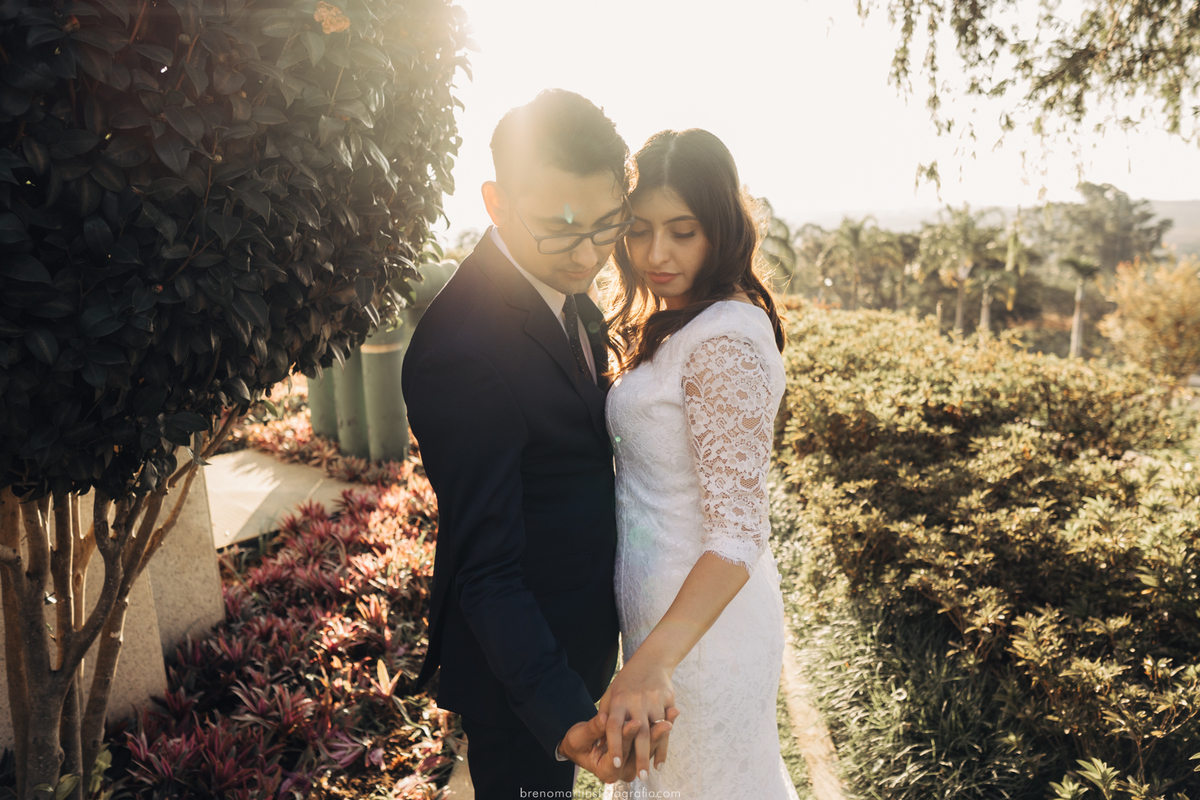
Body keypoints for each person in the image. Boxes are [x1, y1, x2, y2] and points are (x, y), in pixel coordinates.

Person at [401, 90, 675, 799]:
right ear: (496, 203)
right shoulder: (462, 350)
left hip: (579, 639)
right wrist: (560, 712)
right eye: (561, 229)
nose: (589, 254)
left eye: (606, 224)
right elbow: (484, 569)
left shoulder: (565, 286)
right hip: (522, 677)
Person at [600, 128, 800, 798]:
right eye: (639, 229)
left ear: (720, 229)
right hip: (663, 637)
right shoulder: (682, 318)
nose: (656, 254)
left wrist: (649, 665)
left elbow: (739, 534)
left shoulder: (724, 342)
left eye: (682, 232)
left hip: (699, 645)